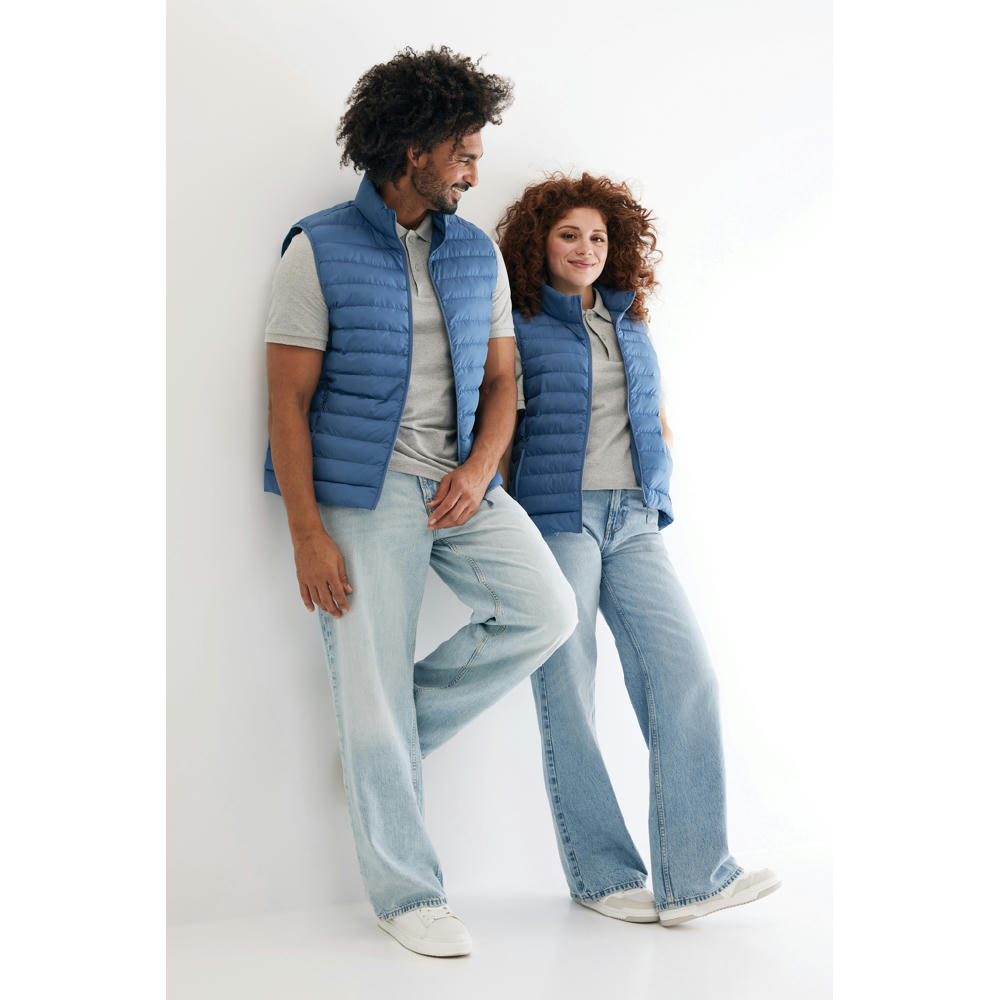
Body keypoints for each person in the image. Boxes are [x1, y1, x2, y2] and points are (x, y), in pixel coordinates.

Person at [263, 49, 577, 958]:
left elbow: (503, 384)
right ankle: (408, 895)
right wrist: (306, 533)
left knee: (546, 609)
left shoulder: (476, 254)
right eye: (463, 153)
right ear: (414, 150)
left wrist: (480, 470)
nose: (474, 171)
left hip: (458, 484)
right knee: (369, 686)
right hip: (361, 495)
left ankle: (384, 743)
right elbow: (285, 401)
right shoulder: (318, 248)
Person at [496, 173, 780, 926]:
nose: (585, 248)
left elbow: (649, 412)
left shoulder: (628, 322)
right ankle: (599, 875)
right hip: (558, 519)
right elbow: (495, 427)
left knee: (687, 675)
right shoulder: (517, 325)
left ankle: (694, 877)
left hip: (635, 521)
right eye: (569, 235)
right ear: (538, 244)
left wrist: (658, 473)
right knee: (569, 695)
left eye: (597, 236)